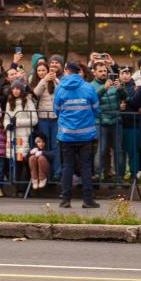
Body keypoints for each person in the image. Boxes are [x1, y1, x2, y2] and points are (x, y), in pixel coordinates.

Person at [53, 61, 100, 209]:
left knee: (67, 166)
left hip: (66, 135)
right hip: (86, 135)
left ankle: (65, 199)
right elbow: (96, 109)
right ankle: (88, 200)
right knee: (86, 167)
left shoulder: (60, 88)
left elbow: (57, 110)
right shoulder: (88, 87)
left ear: (66, 71)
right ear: (79, 72)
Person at [90, 62, 127, 182]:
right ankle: (97, 175)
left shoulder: (114, 83)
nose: (103, 73)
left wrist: (120, 89)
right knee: (101, 150)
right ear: (94, 72)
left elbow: (124, 97)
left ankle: (120, 177)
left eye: (105, 71)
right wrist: (103, 88)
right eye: (100, 71)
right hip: (101, 122)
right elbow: (92, 99)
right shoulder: (91, 85)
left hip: (116, 121)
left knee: (119, 150)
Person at [4, 80, 38, 196]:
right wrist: (7, 124)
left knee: (23, 162)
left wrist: (18, 122)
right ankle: (17, 188)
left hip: (24, 136)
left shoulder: (28, 101)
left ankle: (23, 188)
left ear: (22, 90)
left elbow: (34, 120)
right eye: (13, 89)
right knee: (15, 163)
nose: (15, 91)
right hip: (13, 136)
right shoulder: (9, 101)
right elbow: (6, 117)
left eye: (18, 89)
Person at [32, 61, 60, 180]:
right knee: (44, 146)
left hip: (55, 119)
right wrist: (43, 81)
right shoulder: (36, 82)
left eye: (44, 70)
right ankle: (46, 175)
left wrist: (55, 80)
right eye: (39, 70)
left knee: (56, 146)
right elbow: (35, 93)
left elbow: (61, 93)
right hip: (43, 118)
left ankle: (56, 173)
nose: (41, 73)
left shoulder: (55, 81)